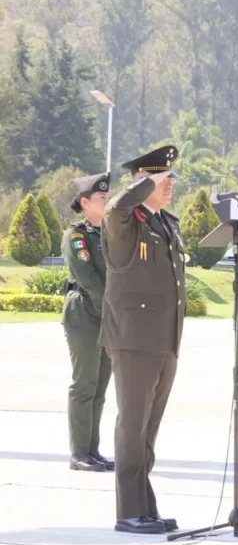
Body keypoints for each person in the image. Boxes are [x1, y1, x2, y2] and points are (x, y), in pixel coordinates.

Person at [99, 144, 185, 535]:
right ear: (141, 181)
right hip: (134, 338)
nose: (169, 186)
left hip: (164, 338)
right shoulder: (124, 221)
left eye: (170, 179)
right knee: (132, 425)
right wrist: (143, 184)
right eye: (161, 180)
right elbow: (115, 208)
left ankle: (145, 505)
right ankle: (128, 510)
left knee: (148, 429)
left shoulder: (165, 223)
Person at [62, 171, 114, 472]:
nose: (106, 201)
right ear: (84, 202)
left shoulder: (108, 232)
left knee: (100, 386)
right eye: (101, 198)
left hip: (108, 315)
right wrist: (111, 308)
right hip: (84, 313)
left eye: (108, 197)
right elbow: (89, 279)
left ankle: (92, 451)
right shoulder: (77, 236)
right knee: (84, 384)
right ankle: (79, 452)